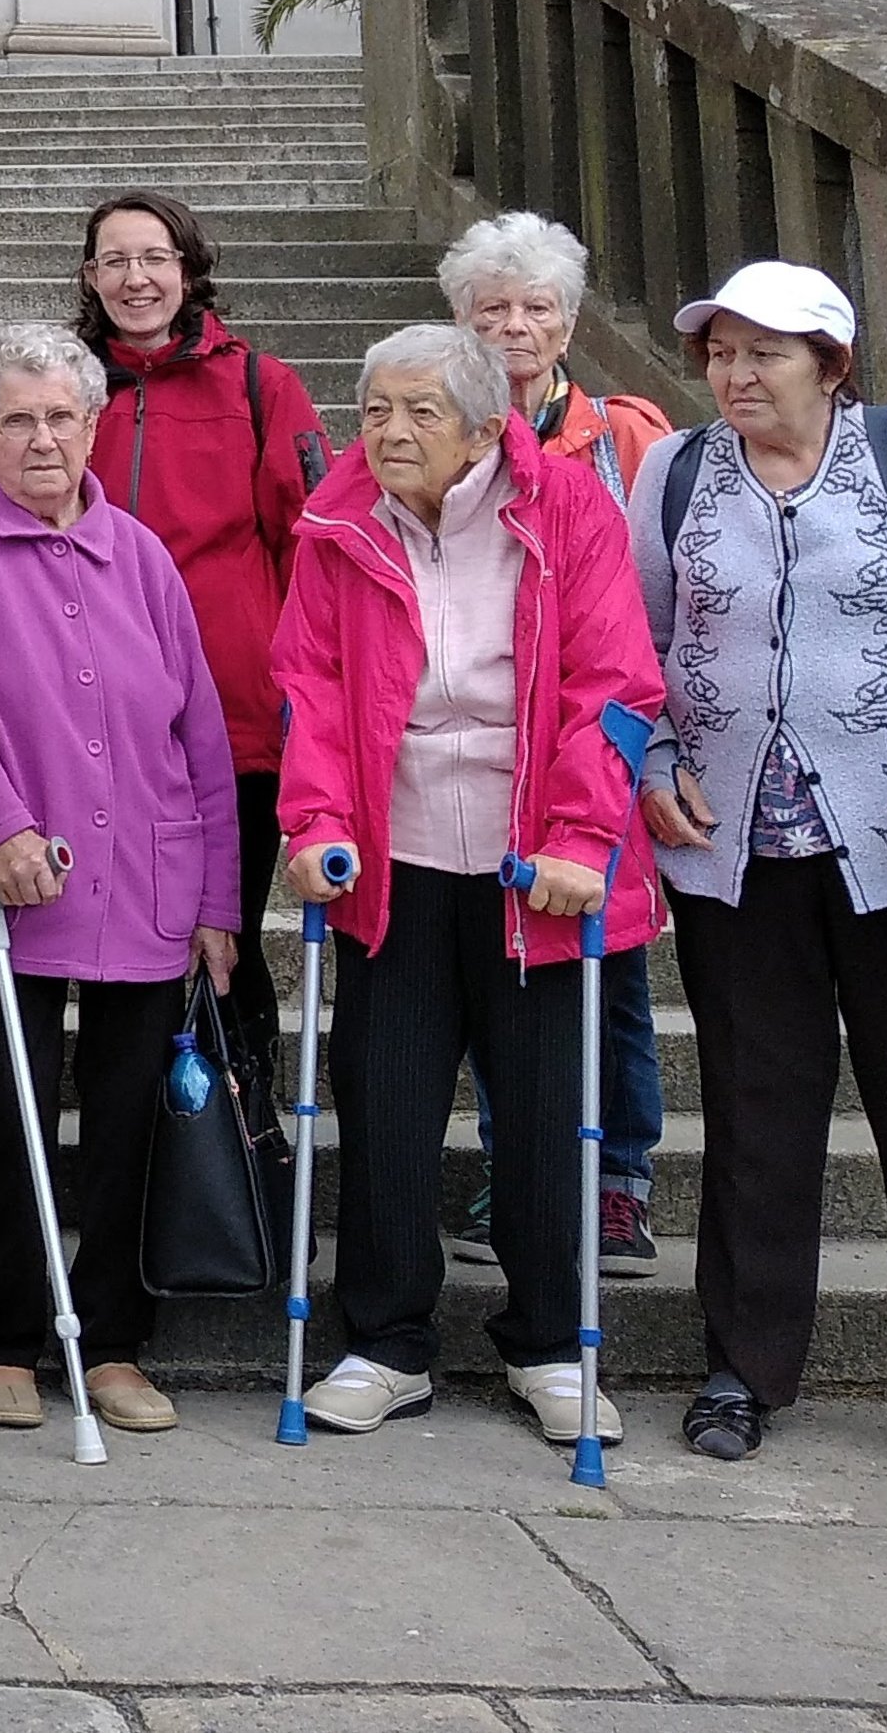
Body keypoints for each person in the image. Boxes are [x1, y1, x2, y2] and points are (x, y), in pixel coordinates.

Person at [629, 261, 887, 1487]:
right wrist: (651, 756)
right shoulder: (677, 471)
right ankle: (744, 1367)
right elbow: (636, 638)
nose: (736, 373)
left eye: (765, 351)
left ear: (832, 361)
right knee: (758, 1117)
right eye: (720, 351)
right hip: (735, 845)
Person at [273, 322, 661, 1447]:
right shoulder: (338, 518)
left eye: (420, 412)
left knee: (546, 1112)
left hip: (533, 862)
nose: (391, 431)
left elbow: (615, 683)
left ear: (489, 426)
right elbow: (310, 682)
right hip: (391, 858)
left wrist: (587, 836)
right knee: (386, 1101)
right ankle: (384, 1342)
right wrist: (316, 818)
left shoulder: (568, 509)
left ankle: (550, 1340)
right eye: (377, 408)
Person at [0, 322, 238, 1440]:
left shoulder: (139, 550)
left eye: (62, 415)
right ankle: (2, 1334)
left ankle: (111, 1338)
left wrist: (217, 902)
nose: (44, 437)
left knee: (129, 1117)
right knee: (3, 1111)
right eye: (18, 417)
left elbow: (200, 735)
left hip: (148, 878)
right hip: (0, 887)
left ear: (94, 422)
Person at [439, 210, 672, 1275]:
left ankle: (619, 1180)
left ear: (570, 319)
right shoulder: (435, 425)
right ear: (460, 319)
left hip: (597, 738)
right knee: (505, 962)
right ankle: (514, 1163)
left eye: (536, 307)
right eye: (493, 308)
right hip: (488, 750)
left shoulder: (625, 434)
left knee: (608, 968)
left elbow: (667, 601)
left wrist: (657, 751)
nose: (515, 328)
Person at [74, 189, 326, 1073]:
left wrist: (305, 700)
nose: (135, 279)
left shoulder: (260, 385)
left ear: (187, 269)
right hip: (94, 720)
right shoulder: (63, 391)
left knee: (227, 935)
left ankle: (237, 1145)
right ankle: (139, 1138)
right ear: (89, 275)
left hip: (232, 722)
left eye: (153, 258)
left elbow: (308, 550)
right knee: (119, 944)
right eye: (114, 260)